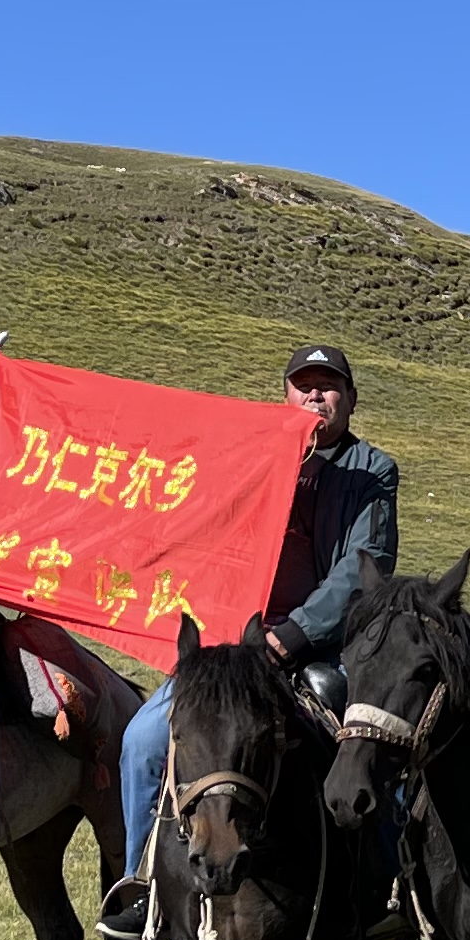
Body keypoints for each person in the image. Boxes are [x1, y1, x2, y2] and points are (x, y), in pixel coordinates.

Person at [115, 344, 400, 875]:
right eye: (303, 384)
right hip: (229, 647)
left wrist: (291, 636)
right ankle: (139, 880)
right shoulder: (244, 455)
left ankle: (382, 886)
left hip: (316, 647)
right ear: (285, 394)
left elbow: (363, 567)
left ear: (352, 399)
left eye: (329, 385)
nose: (315, 394)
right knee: (142, 742)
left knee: (364, 741)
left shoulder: (372, 471)